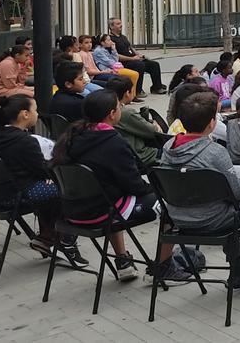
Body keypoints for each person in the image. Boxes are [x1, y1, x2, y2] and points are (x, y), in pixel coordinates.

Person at [160, 89, 240, 289]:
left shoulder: (168, 147)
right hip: (212, 219)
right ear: (211, 123)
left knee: (229, 207)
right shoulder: (215, 152)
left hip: (176, 216)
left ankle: (239, 268)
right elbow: (236, 194)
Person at [52, 90, 173, 282]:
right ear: (112, 113)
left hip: (71, 212)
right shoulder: (112, 141)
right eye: (119, 107)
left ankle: (123, 261)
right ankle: (164, 267)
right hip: (100, 213)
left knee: (114, 196)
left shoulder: (71, 136)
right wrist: (154, 191)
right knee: (169, 205)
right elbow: (134, 185)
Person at [0, 95, 88, 267]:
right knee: (71, 189)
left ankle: (46, 237)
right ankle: (65, 242)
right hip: (16, 195)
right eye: (35, 110)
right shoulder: (24, 141)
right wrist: (49, 175)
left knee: (51, 186)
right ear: (24, 114)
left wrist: (46, 176)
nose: (38, 114)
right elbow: (42, 169)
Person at [106, 76, 163, 171]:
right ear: (127, 93)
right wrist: (155, 125)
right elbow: (152, 132)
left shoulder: (106, 109)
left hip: (122, 154)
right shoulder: (125, 112)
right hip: (141, 155)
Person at [107, 17, 165, 95]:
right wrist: (132, 58)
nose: (121, 25)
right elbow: (115, 55)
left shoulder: (123, 37)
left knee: (154, 64)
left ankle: (157, 87)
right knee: (139, 65)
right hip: (123, 62)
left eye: (120, 23)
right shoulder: (110, 39)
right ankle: (138, 90)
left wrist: (140, 55)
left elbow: (130, 48)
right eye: (118, 24)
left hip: (133, 59)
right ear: (111, 26)